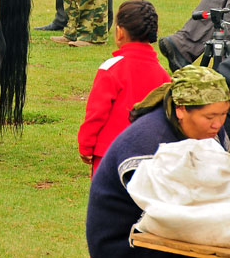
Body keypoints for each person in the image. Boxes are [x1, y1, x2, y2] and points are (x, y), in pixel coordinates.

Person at [85, 65, 230, 256]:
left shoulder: (211, 130)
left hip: (172, 230)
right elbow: (168, 213)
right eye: (210, 117)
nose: (218, 124)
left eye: (224, 115)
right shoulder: (148, 142)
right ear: (181, 110)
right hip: (125, 241)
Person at [77, 0, 170, 177]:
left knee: (107, 201)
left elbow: (96, 113)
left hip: (109, 154)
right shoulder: (163, 75)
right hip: (149, 156)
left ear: (120, 32)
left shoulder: (111, 68)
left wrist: (86, 144)